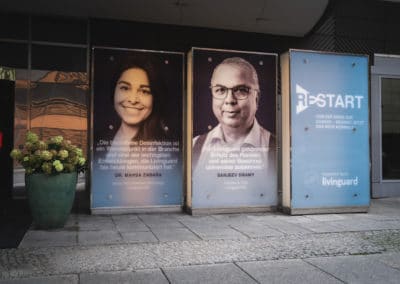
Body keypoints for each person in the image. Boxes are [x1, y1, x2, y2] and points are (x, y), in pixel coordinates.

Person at [193, 57, 275, 170]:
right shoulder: (194, 147)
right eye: (221, 90)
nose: (230, 100)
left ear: (256, 98)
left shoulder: (278, 148)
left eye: (241, 90)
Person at [104, 59, 170, 161]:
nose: (133, 100)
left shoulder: (166, 148)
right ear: (114, 92)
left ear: (155, 98)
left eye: (144, 91)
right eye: (125, 88)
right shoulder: (100, 139)